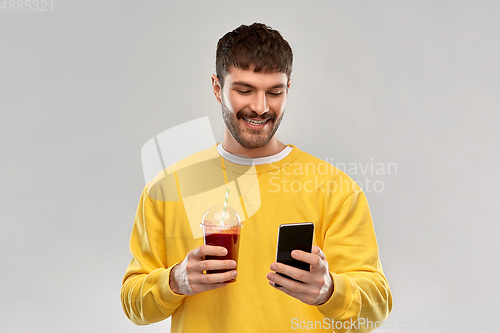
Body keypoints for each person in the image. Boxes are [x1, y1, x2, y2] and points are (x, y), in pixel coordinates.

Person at [121, 22, 392, 332]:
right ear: (217, 87)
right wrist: (174, 281)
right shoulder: (168, 187)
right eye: (244, 90)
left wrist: (329, 290)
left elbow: (377, 309)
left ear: (288, 89)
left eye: (274, 92)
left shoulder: (336, 189)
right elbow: (134, 305)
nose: (260, 107)